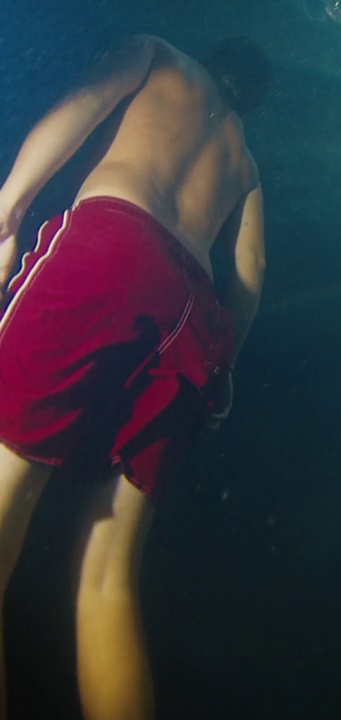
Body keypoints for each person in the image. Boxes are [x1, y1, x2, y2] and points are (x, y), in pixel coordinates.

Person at [0, 35, 270, 720]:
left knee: (4, 494)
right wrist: (223, 366)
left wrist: (9, 207)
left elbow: (84, 102)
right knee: (107, 577)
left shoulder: (159, 55)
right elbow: (252, 273)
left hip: (114, 246)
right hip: (197, 320)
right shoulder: (245, 163)